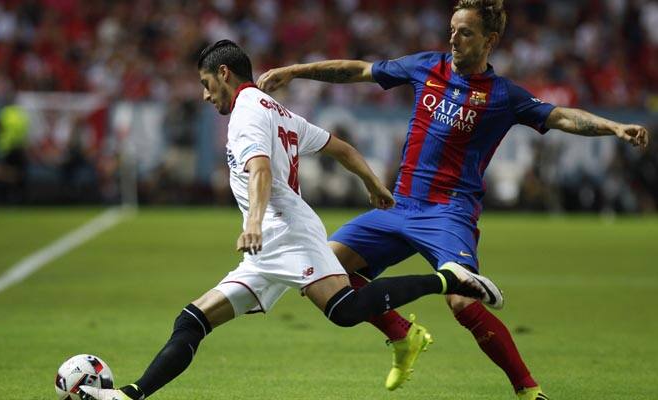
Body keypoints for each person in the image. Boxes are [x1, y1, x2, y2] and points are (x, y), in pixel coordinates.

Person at [257, 1, 650, 399]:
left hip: (448, 214)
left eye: (465, 33)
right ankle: (402, 335)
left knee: (463, 301)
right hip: (399, 206)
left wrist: (614, 127)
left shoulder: (503, 96)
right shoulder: (427, 66)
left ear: (489, 41)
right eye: (453, 30)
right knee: (319, 272)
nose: (454, 40)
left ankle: (529, 391)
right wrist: (295, 71)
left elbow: (561, 116)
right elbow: (359, 70)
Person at [79, 40, 504, 400]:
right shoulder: (272, 108)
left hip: (287, 234)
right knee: (192, 320)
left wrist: (253, 224)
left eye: (207, 86)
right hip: (268, 248)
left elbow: (260, 169)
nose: (207, 97)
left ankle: (447, 280)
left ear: (224, 73)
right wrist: (373, 183)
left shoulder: (246, 113)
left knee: (346, 310)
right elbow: (341, 147)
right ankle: (129, 395)